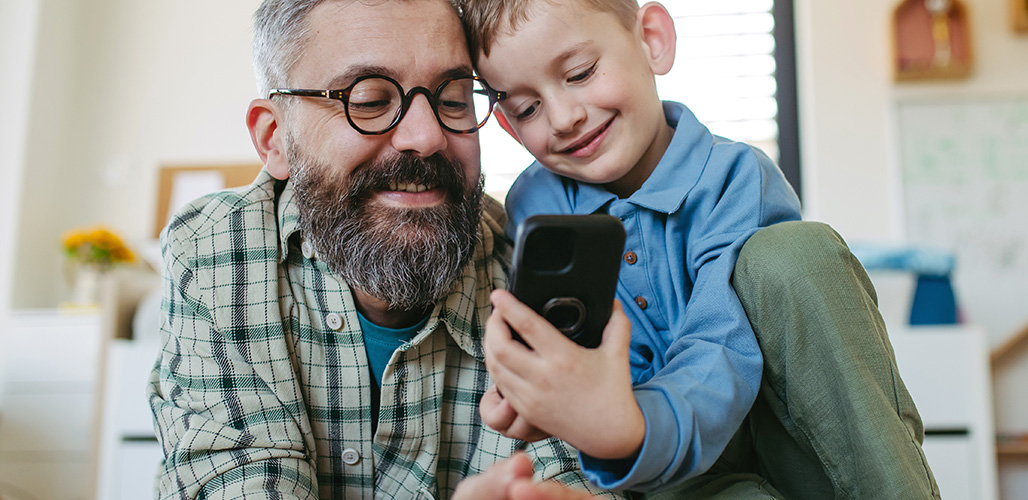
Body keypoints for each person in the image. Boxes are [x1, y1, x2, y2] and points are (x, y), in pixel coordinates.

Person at [460, 0, 941, 498]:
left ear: (652, 40)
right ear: (509, 127)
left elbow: (721, 340)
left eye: (580, 73)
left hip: (792, 439)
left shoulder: (736, 179)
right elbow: (562, 339)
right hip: (677, 479)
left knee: (798, 253)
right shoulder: (533, 209)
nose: (563, 118)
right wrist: (530, 393)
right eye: (528, 109)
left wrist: (628, 425)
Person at [145, 0, 622, 498]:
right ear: (274, 138)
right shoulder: (215, 250)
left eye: (453, 99)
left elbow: (574, 475)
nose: (427, 136)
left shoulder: (531, 267)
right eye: (370, 100)